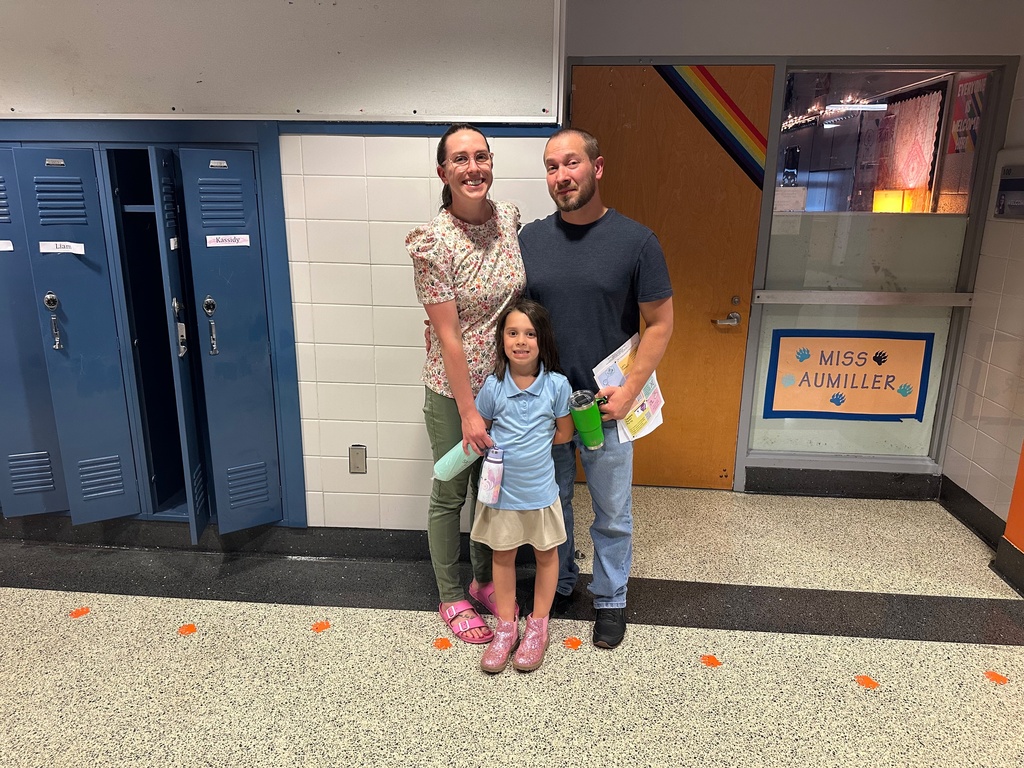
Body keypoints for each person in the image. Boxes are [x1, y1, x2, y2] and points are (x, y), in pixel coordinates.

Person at [519, 128, 674, 649]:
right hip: (548, 407)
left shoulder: (637, 242)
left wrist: (630, 390)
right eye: (551, 167)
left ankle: (610, 598)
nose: (561, 176)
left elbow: (660, 323)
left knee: (611, 510)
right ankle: (559, 583)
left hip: (607, 404)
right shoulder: (531, 242)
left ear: (597, 168)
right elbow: (519, 323)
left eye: (571, 164)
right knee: (552, 504)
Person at [407, 124, 526, 644]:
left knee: (491, 490)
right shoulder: (433, 242)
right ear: (443, 172)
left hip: (505, 388)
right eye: (460, 159)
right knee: (451, 492)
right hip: (456, 394)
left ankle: (482, 582)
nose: (473, 167)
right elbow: (449, 337)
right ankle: (451, 594)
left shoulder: (509, 221)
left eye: (481, 156)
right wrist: (468, 411)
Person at [471, 299, 574, 673]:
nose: (520, 341)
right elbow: (479, 428)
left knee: (548, 556)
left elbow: (563, 434)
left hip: (542, 493)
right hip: (502, 496)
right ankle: (505, 628)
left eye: (529, 334)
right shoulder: (493, 386)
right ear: (501, 339)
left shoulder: (558, 386)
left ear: (542, 340)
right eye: (512, 332)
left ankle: (538, 627)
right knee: (503, 555)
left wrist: (532, 446)